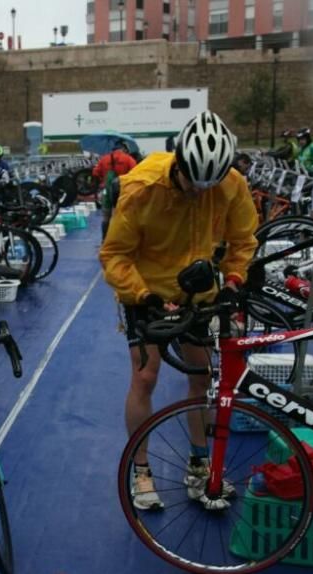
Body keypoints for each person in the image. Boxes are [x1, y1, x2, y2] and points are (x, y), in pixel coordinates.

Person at [98, 110, 258, 512]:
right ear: (179, 163)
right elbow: (115, 254)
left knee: (202, 378)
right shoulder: (141, 188)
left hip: (198, 290)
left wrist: (235, 280)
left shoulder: (231, 185)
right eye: (192, 185)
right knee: (146, 377)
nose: (200, 193)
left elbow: (243, 240)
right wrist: (143, 296)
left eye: (211, 185)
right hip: (146, 291)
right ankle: (141, 470)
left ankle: (199, 464)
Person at [93, 141, 138, 238]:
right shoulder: (129, 159)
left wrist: (103, 181)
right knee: (124, 216)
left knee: (106, 217)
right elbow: (136, 174)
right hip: (123, 192)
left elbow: (95, 173)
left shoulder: (104, 159)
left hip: (107, 192)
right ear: (124, 149)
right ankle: (122, 238)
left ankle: (105, 240)